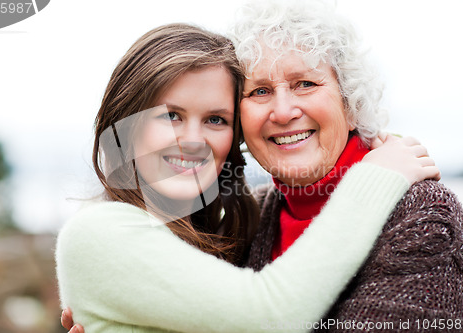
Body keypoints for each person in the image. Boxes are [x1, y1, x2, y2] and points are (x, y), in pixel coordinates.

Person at [56, 23, 439, 333]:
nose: (192, 141)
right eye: (170, 115)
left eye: (216, 120)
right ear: (124, 125)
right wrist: (375, 177)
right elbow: (271, 314)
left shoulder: (229, 235)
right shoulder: (99, 231)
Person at [227, 0, 463, 331]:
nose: (283, 112)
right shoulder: (246, 217)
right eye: (259, 91)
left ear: (352, 105)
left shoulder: (424, 214)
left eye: (305, 84)